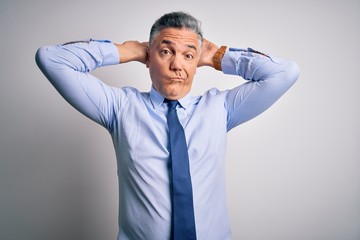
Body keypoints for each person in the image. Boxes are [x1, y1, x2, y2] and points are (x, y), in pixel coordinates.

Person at [36, 11, 299, 240]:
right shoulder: (119, 107)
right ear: (149, 58)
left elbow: (285, 73)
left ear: (198, 64)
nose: (177, 65)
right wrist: (128, 50)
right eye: (165, 51)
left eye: (188, 55)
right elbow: (51, 59)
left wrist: (220, 56)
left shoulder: (220, 108)